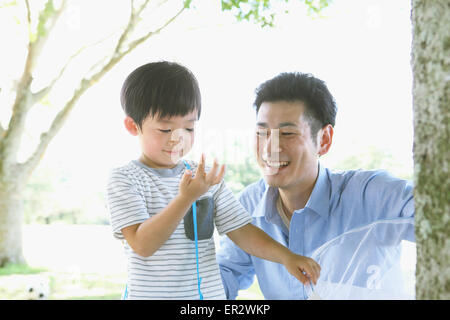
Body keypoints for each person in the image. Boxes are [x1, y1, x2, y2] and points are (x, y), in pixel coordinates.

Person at [106, 61, 320, 300]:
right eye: (165, 130)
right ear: (132, 126)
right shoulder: (125, 179)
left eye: (188, 128)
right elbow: (142, 245)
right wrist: (186, 198)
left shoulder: (205, 177)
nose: (178, 140)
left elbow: (241, 231)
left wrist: (286, 257)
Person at [217, 72, 415, 299]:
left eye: (287, 133)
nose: (269, 148)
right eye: (262, 133)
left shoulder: (372, 195)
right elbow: (222, 278)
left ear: (324, 140)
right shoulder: (248, 205)